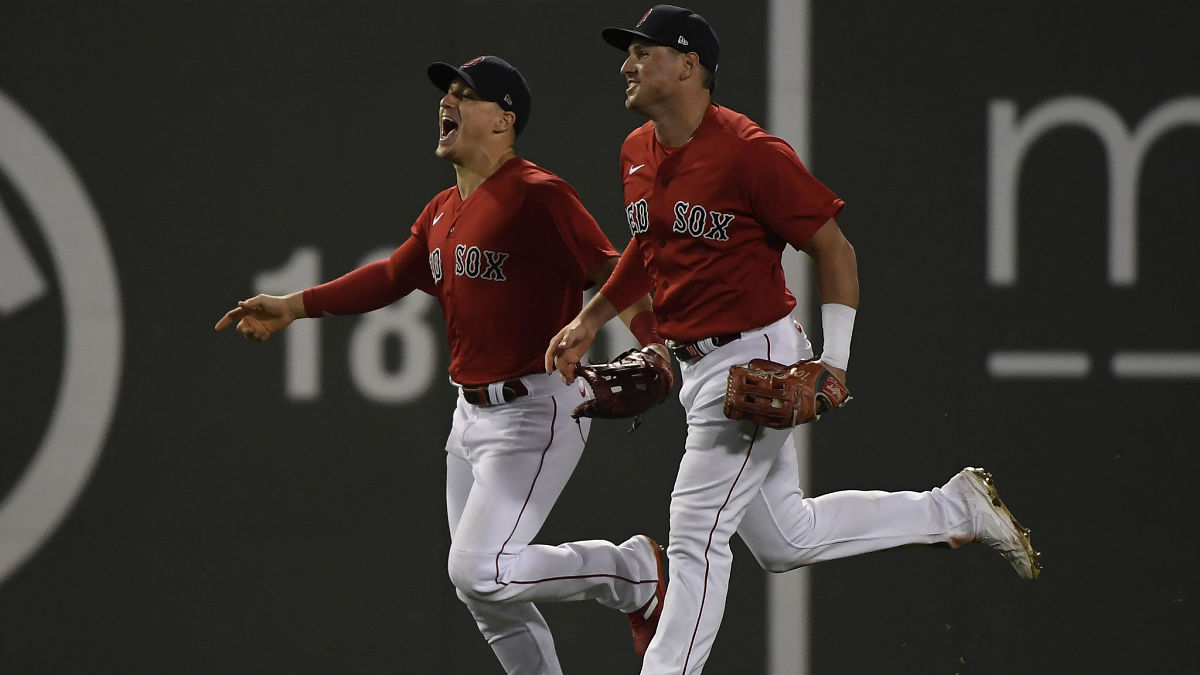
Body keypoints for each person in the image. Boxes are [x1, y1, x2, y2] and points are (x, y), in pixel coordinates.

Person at [544, 6, 1041, 673]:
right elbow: (649, 241)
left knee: (695, 535)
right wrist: (591, 317)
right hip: (699, 362)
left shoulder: (750, 154)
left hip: (754, 355)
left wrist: (833, 361)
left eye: (645, 53)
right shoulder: (638, 150)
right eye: (628, 53)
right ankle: (954, 508)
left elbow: (836, 251)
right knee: (785, 537)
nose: (627, 65)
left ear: (690, 66)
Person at [215, 55, 669, 674]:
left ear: (504, 120)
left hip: (536, 409)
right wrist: (295, 306)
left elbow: (613, 273)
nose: (446, 102)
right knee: (483, 594)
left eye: (466, 94)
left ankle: (632, 574)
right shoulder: (441, 211)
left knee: (477, 568)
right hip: (470, 418)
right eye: (446, 93)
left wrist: (658, 345)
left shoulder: (538, 196)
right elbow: (389, 277)